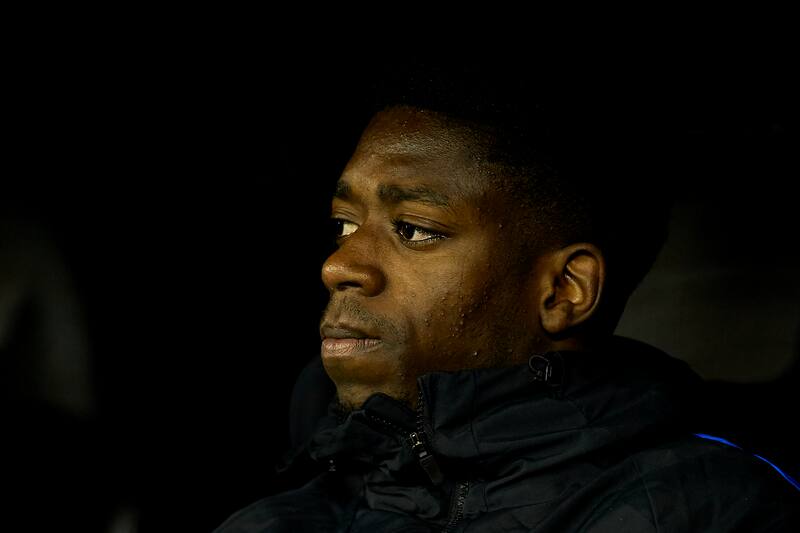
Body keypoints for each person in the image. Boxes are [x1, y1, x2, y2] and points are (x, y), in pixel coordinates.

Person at [216, 64, 799, 531]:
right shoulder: (284, 513)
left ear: (565, 290)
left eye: (413, 229)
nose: (337, 265)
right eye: (345, 224)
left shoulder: (709, 510)